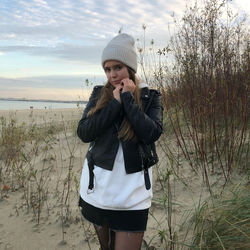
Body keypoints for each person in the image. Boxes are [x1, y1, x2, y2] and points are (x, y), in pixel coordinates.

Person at [77, 33, 163, 250]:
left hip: (132, 196)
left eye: (118, 67)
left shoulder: (150, 96)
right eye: (107, 69)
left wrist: (127, 100)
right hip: (98, 191)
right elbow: (84, 132)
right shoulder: (100, 94)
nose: (112, 74)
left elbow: (151, 133)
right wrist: (114, 105)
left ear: (130, 68)